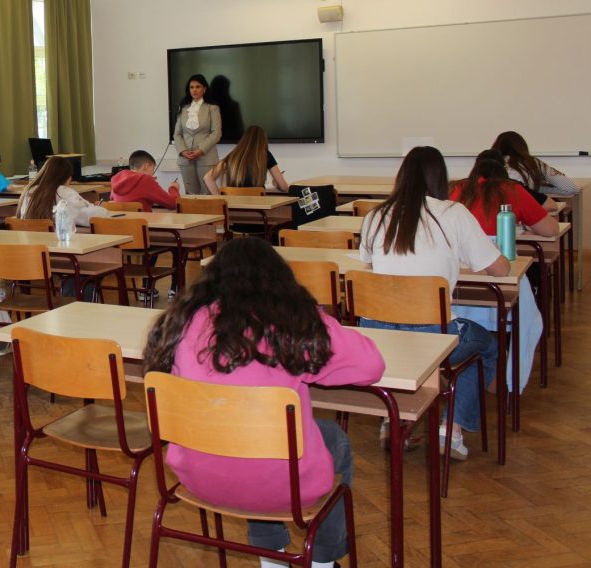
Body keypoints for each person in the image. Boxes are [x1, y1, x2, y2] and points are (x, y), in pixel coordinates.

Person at [143, 237, 385, 568]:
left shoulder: (183, 322)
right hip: (280, 483)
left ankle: (271, 562)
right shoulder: (293, 325)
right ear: (280, 282)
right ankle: (323, 563)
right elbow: (371, 366)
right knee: (334, 440)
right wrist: (315, 317)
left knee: (251, 440)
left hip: (199, 477)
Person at [359, 146, 510, 460]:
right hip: (432, 338)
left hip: (379, 336)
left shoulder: (375, 215)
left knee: (404, 346)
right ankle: (450, 431)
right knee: (486, 345)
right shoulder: (453, 213)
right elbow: (500, 270)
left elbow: (370, 267)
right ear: (441, 178)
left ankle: (392, 421)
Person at [448, 149, 556, 392]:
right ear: (503, 173)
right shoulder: (512, 190)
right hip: (498, 276)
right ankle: (509, 380)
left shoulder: (456, 189)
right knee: (529, 317)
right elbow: (550, 230)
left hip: (458, 287)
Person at [17, 155, 108, 225]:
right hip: (56, 240)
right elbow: (91, 217)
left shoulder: (30, 190)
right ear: (67, 177)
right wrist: (100, 209)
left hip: (32, 240)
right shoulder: (63, 192)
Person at [203, 125, 290, 194]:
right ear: (263, 140)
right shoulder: (265, 154)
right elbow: (284, 187)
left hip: (235, 206)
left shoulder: (233, 155)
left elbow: (207, 178)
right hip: (259, 205)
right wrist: (276, 183)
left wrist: (221, 199)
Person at [172, 74, 222, 195]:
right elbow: (177, 134)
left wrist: (201, 150)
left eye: (198, 87)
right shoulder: (183, 107)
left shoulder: (212, 107)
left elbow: (216, 133)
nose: (194, 90)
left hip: (206, 157)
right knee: (191, 193)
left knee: (207, 193)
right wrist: (183, 151)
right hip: (186, 158)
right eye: (191, 87)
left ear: (204, 88)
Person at [491, 131, 579, 198]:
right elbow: (571, 188)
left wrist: (534, 187)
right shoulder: (531, 162)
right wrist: (534, 188)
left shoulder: (489, 163)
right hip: (521, 210)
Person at [109, 150, 180, 211]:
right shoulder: (146, 180)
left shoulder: (117, 178)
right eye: (153, 170)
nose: (153, 174)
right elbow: (174, 204)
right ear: (146, 167)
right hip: (141, 222)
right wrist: (173, 188)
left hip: (119, 222)